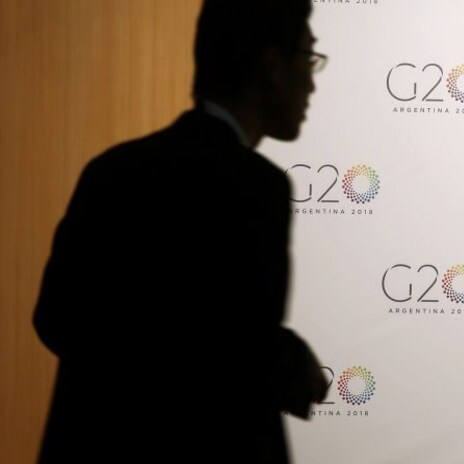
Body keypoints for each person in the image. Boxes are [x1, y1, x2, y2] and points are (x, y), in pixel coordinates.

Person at [33, 1, 327, 462]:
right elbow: (236, 352)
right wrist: (291, 363)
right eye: (308, 58)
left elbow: (54, 319)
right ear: (272, 66)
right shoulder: (256, 188)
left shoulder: (111, 170)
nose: (312, 82)